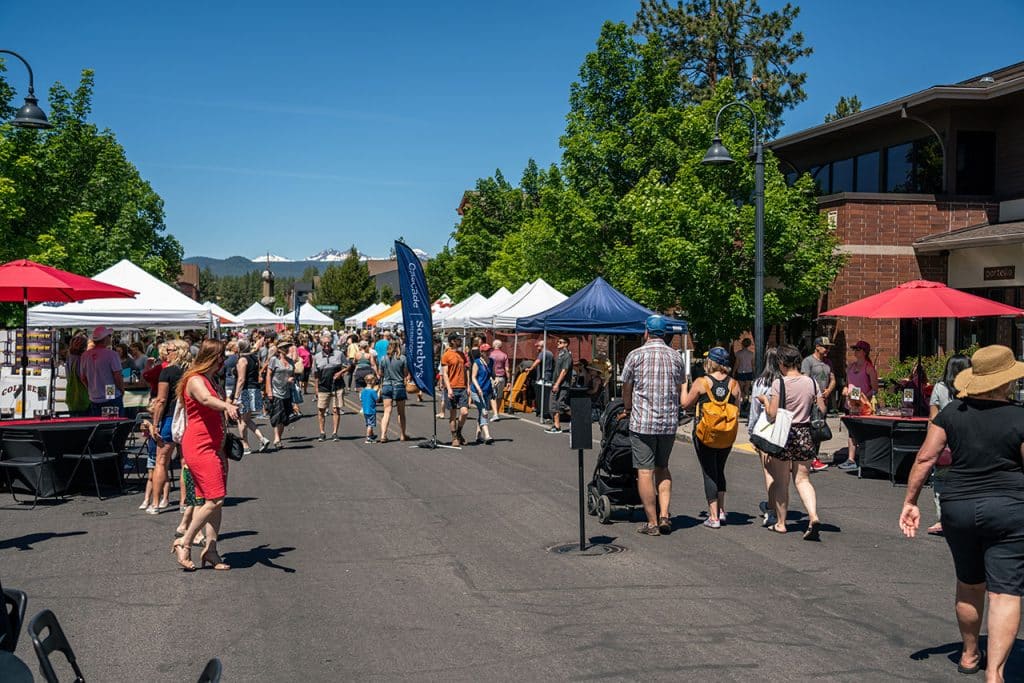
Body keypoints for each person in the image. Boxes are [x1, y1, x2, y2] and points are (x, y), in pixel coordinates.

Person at [900, 345, 1024, 680]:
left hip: (959, 508)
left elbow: (925, 458)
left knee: (969, 584)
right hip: (1010, 508)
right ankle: (995, 674)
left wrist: (910, 501)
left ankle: (970, 654)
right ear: (1007, 382)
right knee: (1005, 591)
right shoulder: (1020, 416)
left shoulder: (952, 412)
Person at [172, 339, 240, 572]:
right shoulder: (195, 380)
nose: (224, 361)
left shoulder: (212, 379)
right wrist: (226, 406)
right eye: (221, 356)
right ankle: (185, 541)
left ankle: (211, 551)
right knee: (216, 499)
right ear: (211, 357)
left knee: (214, 502)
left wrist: (228, 404)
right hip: (200, 447)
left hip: (216, 446)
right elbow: (205, 400)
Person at [620, 315, 686, 537]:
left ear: (646, 332)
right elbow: (679, 387)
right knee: (663, 467)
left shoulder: (636, 355)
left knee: (645, 471)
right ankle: (665, 514)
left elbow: (626, 386)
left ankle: (652, 522)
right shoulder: (676, 357)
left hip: (643, 422)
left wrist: (627, 408)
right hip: (668, 422)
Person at [759, 344, 825, 540]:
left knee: (782, 481)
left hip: (784, 434)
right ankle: (813, 516)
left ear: (781, 362)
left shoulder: (779, 383)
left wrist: (764, 401)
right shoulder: (811, 382)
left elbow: (771, 414)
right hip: (805, 433)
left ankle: (781, 523)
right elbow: (821, 408)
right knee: (803, 479)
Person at [681, 346, 741, 528]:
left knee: (709, 472)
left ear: (711, 362)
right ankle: (721, 511)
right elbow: (738, 405)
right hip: (727, 434)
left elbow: (685, 404)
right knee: (720, 469)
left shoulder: (702, 382)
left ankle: (713, 516)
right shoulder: (734, 383)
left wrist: (684, 387)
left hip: (705, 433)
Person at [925, 353, 972, 536]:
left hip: (945, 442)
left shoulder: (939, 387)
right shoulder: (973, 389)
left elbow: (933, 418)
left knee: (941, 481)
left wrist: (930, 443)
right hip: (968, 442)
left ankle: (943, 519)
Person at [147, 340, 191, 514]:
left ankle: (156, 503)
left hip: (169, 418)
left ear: (178, 351)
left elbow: (161, 400)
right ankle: (184, 501)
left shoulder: (167, 372)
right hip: (187, 419)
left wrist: (155, 423)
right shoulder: (192, 372)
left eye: (170, 350)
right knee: (185, 462)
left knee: (161, 461)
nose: (166, 353)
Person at [750, 347, 783, 528]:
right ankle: (779, 507)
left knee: (768, 472)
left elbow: (754, 412)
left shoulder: (760, 382)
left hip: (765, 429)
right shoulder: (785, 381)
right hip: (783, 429)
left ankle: (771, 510)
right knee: (781, 473)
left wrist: (751, 432)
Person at [839, 340, 879, 471]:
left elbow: (875, 389)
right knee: (851, 432)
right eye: (854, 349)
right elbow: (847, 384)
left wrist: (863, 398)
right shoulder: (851, 366)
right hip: (850, 404)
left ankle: (864, 458)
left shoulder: (869, 368)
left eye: (858, 349)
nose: (855, 351)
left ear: (864, 352)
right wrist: (845, 390)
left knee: (861, 432)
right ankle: (851, 459)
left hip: (863, 407)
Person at [801, 336, 837, 472]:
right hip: (812, 402)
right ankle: (810, 458)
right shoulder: (808, 361)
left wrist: (829, 390)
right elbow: (805, 380)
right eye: (825, 347)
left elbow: (832, 378)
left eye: (828, 347)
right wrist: (813, 395)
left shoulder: (828, 363)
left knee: (819, 430)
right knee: (811, 430)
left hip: (824, 401)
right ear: (817, 347)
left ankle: (814, 457)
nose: (827, 350)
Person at [232, 339, 271, 455]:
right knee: (246, 418)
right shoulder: (254, 358)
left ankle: (245, 445)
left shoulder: (242, 360)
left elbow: (241, 379)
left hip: (246, 391)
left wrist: (235, 397)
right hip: (255, 389)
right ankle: (262, 438)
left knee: (241, 420)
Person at [79, 326, 124, 416]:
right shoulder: (111, 354)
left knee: (98, 425)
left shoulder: (85, 355)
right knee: (113, 425)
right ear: (105, 338)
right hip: (110, 393)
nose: (111, 338)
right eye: (109, 336)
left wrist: (91, 389)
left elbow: (83, 377)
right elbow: (117, 375)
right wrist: (121, 389)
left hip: (94, 396)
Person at [312, 331, 346, 442]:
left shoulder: (339, 354)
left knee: (336, 409)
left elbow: (348, 366)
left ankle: (335, 432)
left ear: (331, 343)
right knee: (321, 410)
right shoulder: (317, 357)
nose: (326, 345)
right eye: (324, 344)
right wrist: (316, 388)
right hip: (323, 386)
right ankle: (322, 432)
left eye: (328, 343)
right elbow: (316, 374)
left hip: (337, 386)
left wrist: (340, 373)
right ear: (321, 345)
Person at [265, 336, 296, 450]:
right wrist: (269, 390)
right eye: (284, 347)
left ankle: (279, 437)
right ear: (279, 348)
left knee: (285, 418)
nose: (287, 348)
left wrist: (292, 380)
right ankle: (277, 438)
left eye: (287, 346)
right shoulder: (274, 360)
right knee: (277, 416)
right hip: (276, 391)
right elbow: (268, 375)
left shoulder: (290, 361)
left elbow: (293, 374)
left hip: (287, 391)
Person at [440, 334, 470, 446]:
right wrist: (448, 389)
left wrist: (468, 386)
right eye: (458, 340)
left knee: (465, 412)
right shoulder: (446, 355)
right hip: (451, 388)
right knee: (453, 414)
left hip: (462, 387)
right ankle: (454, 438)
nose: (460, 341)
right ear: (452, 341)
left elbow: (466, 370)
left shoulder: (462, 354)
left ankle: (459, 432)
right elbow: (445, 374)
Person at [379, 340, 411, 442]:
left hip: (387, 385)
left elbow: (380, 373)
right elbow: (405, 373)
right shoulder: (402, 358)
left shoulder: (383, 358)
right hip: (399, 385)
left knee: (387, 411)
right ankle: (402, 435)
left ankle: (383, 435)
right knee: (401, 412)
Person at [547, 337, 574, 434]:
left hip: (563, 385)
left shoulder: (567, 355)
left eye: (560, 342)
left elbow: (564, 371)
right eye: (557, 342)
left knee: (560, 405)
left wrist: (557, 384)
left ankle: (577, 418)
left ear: (566, 344)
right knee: (553, 405)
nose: (558, 343)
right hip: (556, 383)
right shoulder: (560, 354)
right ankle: (557, 426)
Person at [471, 344, 495, 445]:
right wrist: (478, 388)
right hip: (477, 391)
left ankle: (478, 435)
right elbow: (473, 377)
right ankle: (487, 435)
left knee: (481, 412)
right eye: (486, 351)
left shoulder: (491, 361)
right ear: (481, 352)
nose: (488, 352)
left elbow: (492, 374)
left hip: (487, 390)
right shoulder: (477, 362)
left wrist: (495, 379)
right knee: (484, 412)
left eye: (489, 350)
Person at [526, 340, 555, 421]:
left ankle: (544, 413)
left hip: (543, 377)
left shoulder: (542, 353)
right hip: (549, 376)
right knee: (547, 395)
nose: (536, 348)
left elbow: (537, 361)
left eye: (537, 346)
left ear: (541, 346)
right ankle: (545, 412)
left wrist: (530, 369)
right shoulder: (551, 353)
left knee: (542, 395)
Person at [63, 334, 91, 417]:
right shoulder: (81, 358)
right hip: (82, 396)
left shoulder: (70, 357)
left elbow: (68, 376)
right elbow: (83, 377)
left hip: (72, 394)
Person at [488, 339, 509, 419]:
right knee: (499, 396)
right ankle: (497, 412)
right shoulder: (504, 355)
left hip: (492, 377)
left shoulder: (490, 355)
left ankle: (495, 413)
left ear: (493, 346)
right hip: (501, 377)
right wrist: (509, 380)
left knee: (492, 395)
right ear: (501, 346)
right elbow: (507, 369)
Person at [733, 338, 755, 405]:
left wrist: (734, 371)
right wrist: (754, 372)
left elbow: (737, 364)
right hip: (749, 372)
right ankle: (746, 401)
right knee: (747, 388)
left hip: (741, 372)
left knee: (741, 389)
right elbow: (753, 364)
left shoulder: (738, 353)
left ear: (742, 344)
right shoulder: (751, 354)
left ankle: (742, 401)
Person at [361, 374, 379, 443]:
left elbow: (361, 399)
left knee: (368, 423)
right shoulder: (373, 391)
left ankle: (371, 435)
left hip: (365, 410)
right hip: (371, 410)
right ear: (373, 381)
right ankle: (368, 438)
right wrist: (378, 392)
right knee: (370, 425)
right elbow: (377, 400)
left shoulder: (363, 391)